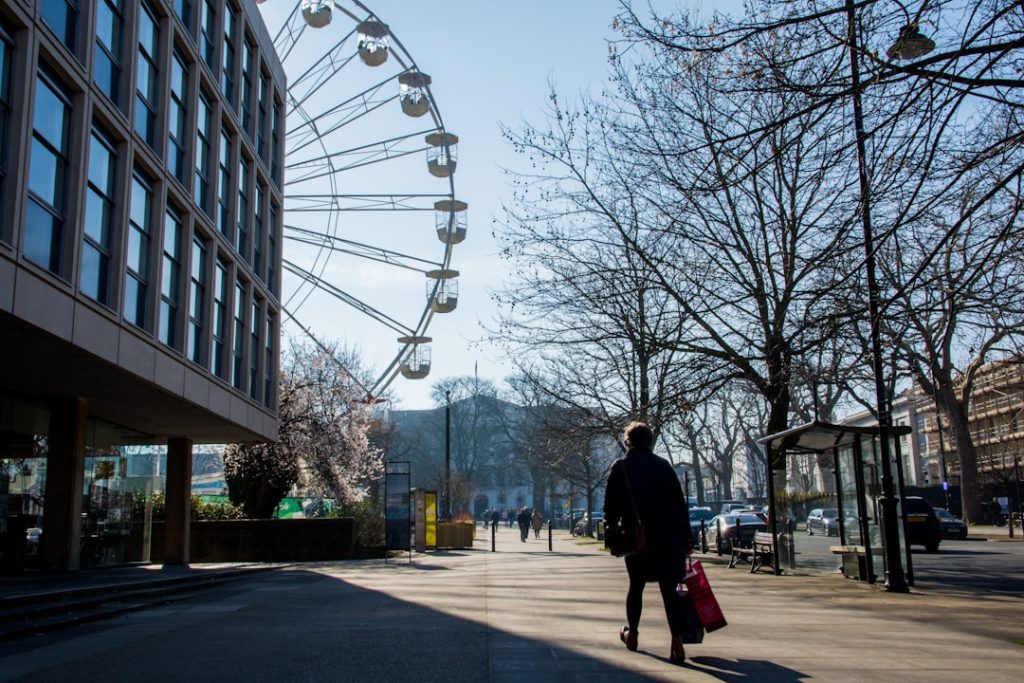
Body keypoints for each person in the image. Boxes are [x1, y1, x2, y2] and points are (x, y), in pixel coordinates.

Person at [604, 421, 693, 665]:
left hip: (638, 537)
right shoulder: (664, 466)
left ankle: (632, 634)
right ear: (651, 441)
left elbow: (611, 505)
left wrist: (612, 530)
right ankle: (676, 642)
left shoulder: (621, 467)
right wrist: (687, 538)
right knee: (671, 591)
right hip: (670, 537)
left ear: (628, 441)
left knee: (636, 586)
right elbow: (679, 504)